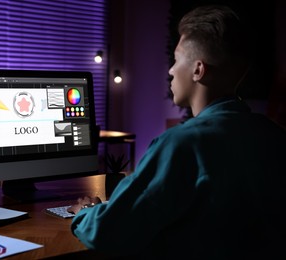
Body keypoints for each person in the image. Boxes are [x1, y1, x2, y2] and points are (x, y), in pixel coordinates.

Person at [67, 5, 286, 259]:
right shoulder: (276, 135)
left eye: (177, 59)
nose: (171, 70)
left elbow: (108, 232)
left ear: (198, 70)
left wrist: (85, 213)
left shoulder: (181, 144)